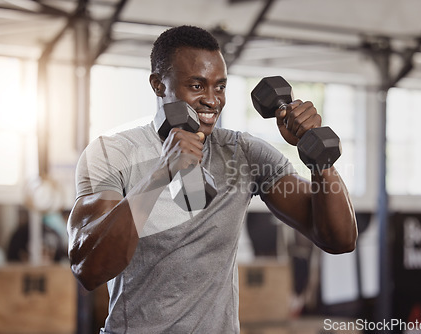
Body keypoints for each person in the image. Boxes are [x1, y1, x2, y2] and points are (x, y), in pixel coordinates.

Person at [67, 25, 357, 333]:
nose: (211, 100)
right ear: (158, 84)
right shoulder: (112, 154)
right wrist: (161, 174)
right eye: (196, 85)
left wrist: (318, 157)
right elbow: (89, 268)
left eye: (219, 87)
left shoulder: (243, 153)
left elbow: (339, 239)